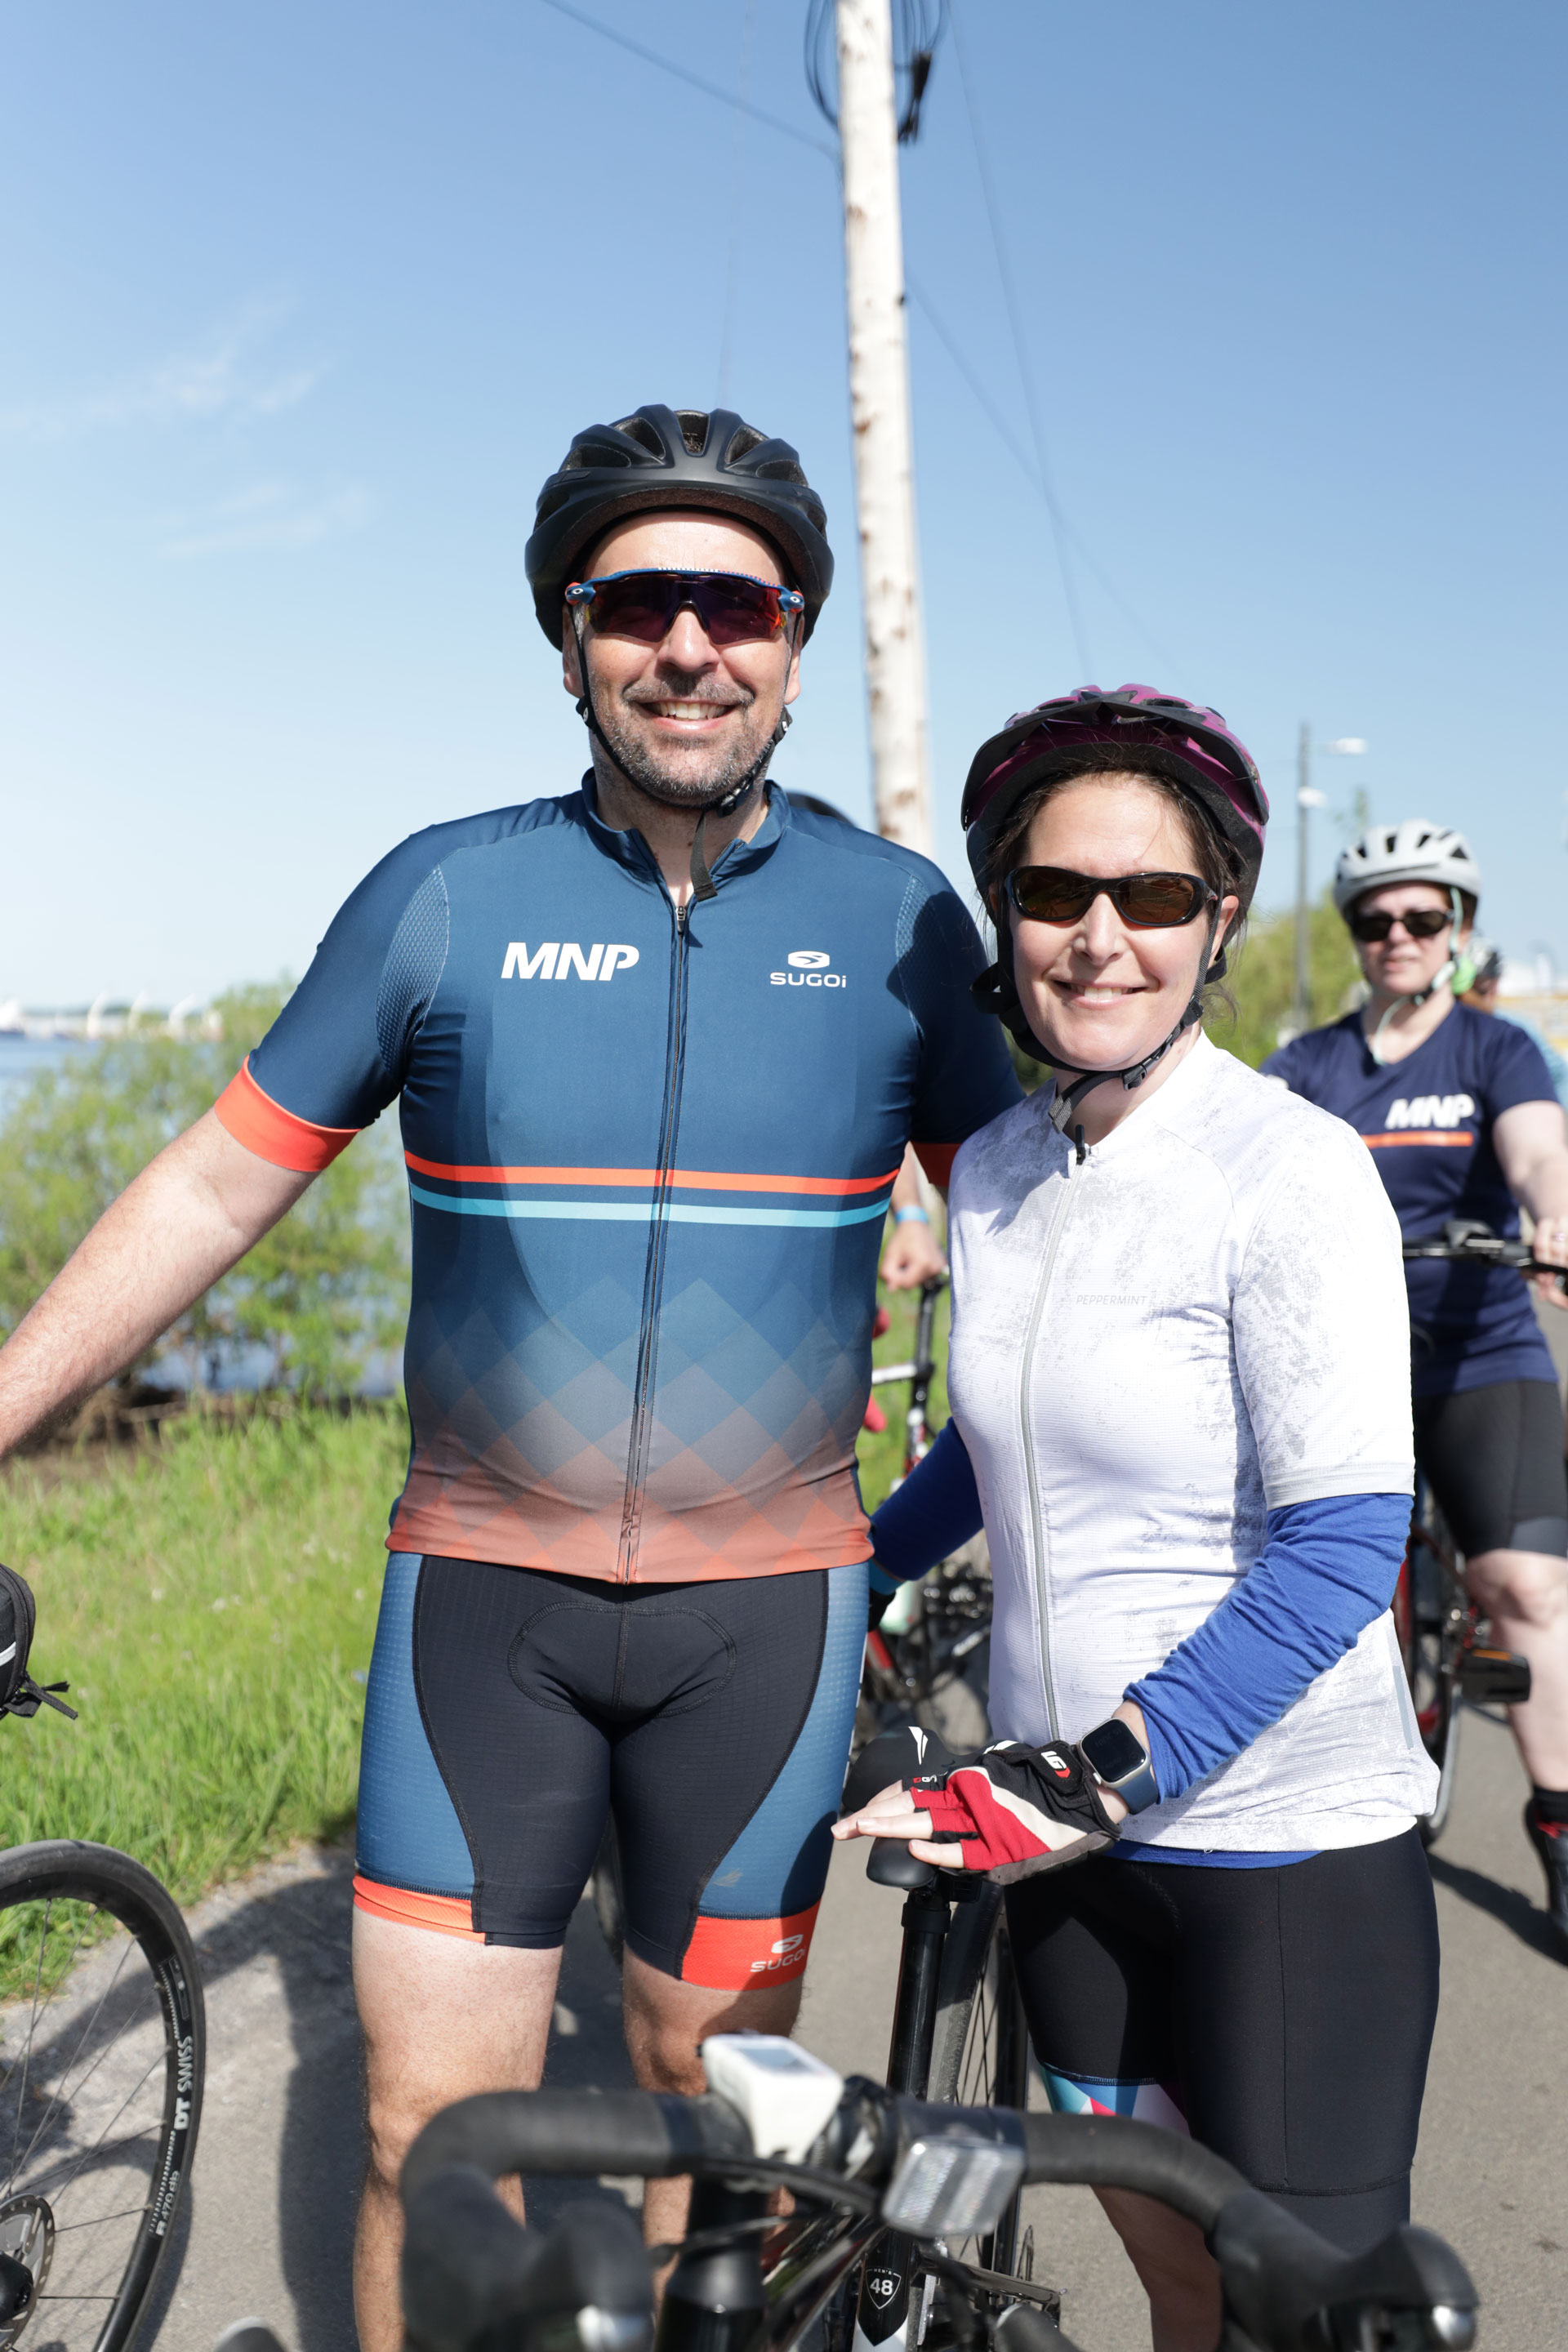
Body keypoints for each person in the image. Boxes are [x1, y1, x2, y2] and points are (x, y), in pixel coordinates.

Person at [0, 404, 1019, 2348]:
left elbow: (1046, 1243)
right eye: (638, 603)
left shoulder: (897, 921)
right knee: (430, 2140)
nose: (689, 646)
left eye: (739, 605)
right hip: (484, 1611)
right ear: (569, 641)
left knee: (712, 2122)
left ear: (797, 645)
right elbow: (214, 1182)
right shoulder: (447, 898)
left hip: (767, 1622)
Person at [835, 686, 1443, 2352]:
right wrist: (847, 1574)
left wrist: (1091, 1771)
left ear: (1217, 921)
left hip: (1278, 1854)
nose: (1102, 937)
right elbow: (1002, 1446)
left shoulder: (1289, 1169)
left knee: (1297, 2320)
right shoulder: (997, 1172)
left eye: (1153, 895)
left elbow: (1345, 1544)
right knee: (1178, 2286)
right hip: (1070, 1863)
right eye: (1056, 892)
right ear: (1008, 914)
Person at [1264, 823, 1568, 1956]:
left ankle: (1560, 1824)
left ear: (1460, 930)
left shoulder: (1497, 1049)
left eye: (1424, 917)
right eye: (1375, 918)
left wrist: (1552, 1213)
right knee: (1313, 1592)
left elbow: (1539, 1152)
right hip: (1345, 1362)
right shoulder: (1310, 1064)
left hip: (1481, 1351)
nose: (1398, 935)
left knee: (1523, 1586)